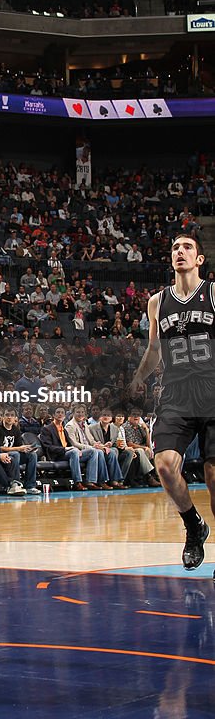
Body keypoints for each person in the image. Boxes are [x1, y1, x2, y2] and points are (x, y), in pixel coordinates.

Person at [130, 234, 215, 573]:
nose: (180, 252)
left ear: (200, 259)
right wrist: (139, 377)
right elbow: (154, 349)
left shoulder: (212, 293)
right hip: (176, 393)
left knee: (213, 476)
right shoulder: (157, 302)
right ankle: (193, 525)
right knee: (164, 464)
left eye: (187, 248)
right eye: (175, 248)